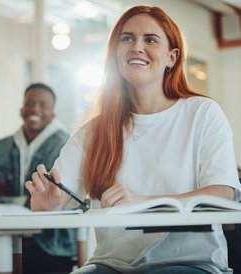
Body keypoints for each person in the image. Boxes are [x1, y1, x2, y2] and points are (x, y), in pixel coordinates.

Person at [26, 6, 241, 274]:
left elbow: (224, 192)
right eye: (127, 39)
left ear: (171, 57)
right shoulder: (94, 131)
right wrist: (46, 207)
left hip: (189, 263)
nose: (137, 46)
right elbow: (60, 197)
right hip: (108, 264)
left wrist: (146, 202)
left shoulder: (202, 113)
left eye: (150, 39)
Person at [0, 83, 77, 274]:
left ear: (52, 114)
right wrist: (26, 200)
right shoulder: (4, 145)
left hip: (53, 248)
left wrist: (8, 197)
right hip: (10, 242)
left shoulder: (65, 145)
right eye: (30, 103)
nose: (35, 108)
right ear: (21, 109)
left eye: (43, 104)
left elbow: (65, 202)